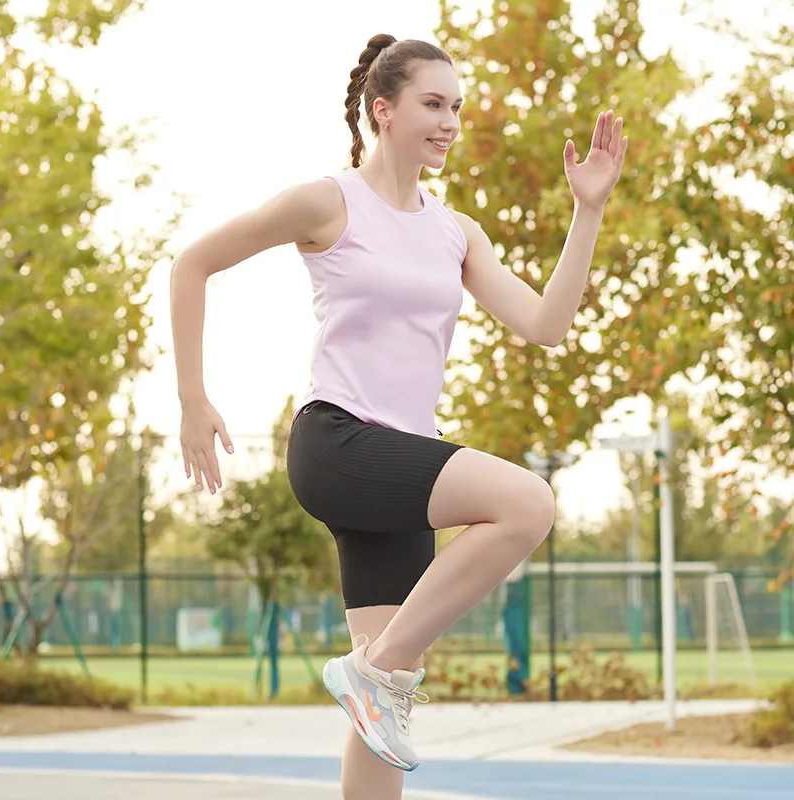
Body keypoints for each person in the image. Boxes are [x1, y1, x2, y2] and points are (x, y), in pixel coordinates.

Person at [171, 32, 627, 800]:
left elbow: (547, 324)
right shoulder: (329, 201)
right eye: (433, 104)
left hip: (400, 465)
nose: (449, 121)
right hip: (340, 443)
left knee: (383, 710)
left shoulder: (455, 231)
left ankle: (374, 674)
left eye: (456, 107)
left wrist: (588, 211)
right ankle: (371, 671)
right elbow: (194, 263)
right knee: (527, 502)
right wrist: (193, 397)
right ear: (382, 110)